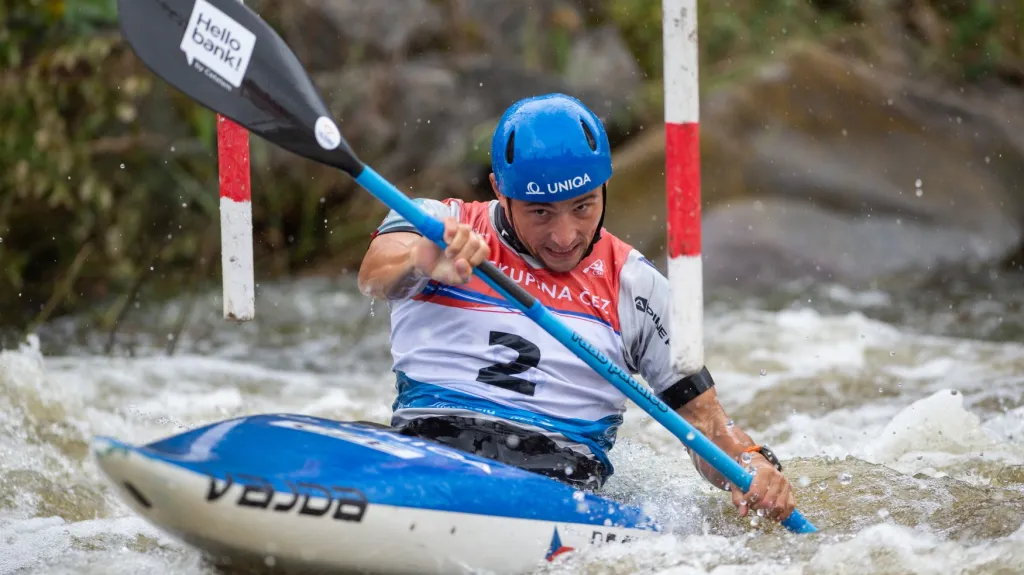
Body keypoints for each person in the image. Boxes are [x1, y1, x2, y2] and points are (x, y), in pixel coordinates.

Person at [357, 93, 797, 524]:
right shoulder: (438, 223)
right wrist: (421, 262)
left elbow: (706, 427)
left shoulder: (636, 285)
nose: (565, 236)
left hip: (558, 480)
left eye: (582, 206)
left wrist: (754, 466)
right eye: (541, 212)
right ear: (498, 189)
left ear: (606, 184)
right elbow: (374, 276)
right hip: (428, 448)